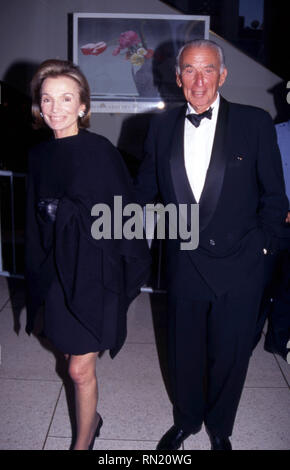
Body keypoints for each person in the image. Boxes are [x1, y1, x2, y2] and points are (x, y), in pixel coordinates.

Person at [135, 39, 288, 450]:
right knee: (183, 353)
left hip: (242, 263)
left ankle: (221, 428)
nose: (198, 79)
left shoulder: (254, 122)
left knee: (230, 355)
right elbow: (143, 190)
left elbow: (275, 196)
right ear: (178, 75)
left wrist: (263, 251)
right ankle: (186, 420)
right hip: (185, 263)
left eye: (207, 70)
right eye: (189, 69)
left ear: (222, 75)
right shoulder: (161, 126)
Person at [25, 59, 150, 450]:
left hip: (95, 271)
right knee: (67, 353)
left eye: (65, 98)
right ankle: (91, 415)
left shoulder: (99, 152)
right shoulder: (39, 156)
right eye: (47, 99)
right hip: (57, 271)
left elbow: (121, 219)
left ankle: (84, 440)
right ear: (38, 106)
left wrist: (64, 212)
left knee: (79, 369)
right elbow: (36, 220)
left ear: (83, 106)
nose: (54, 108)